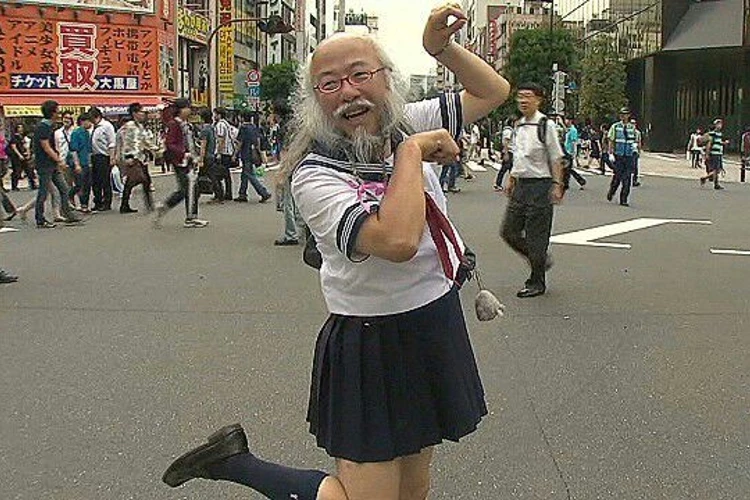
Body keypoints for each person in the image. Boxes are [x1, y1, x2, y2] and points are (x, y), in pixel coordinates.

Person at [162, 4, 510, 498]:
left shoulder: (405, 120)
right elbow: (397, 241)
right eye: (329, 84)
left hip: (434, 318)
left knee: (413, 485)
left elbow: (493, 91)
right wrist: (410, 153)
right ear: (315, 101)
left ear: (386, 79)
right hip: (370, 337)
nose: (348, 92)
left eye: (360, 75)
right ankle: (236, 462)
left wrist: (441, 49)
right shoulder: (314, 174)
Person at [501, 83, 564, 299]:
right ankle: (540, 259)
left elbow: (556, 157)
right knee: (508, 231)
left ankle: (536, 282)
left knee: (537, 237)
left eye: (528, 97)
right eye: (520, 97)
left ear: (538, 100)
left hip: (540, 186)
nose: (523, 101)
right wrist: (511, 179)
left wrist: (557, 185)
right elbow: (519, 156)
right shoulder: (518, 126)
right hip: (521, 185)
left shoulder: (546, 125)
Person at [153, 99, 209, 228]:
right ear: (180, 110)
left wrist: (194, 156)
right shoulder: (174, 124)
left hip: (187, 160)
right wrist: (184, 153)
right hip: (180, 161)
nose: (189, 110)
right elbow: (170, 143)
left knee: (192, 189)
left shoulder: (184, 124)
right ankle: (170, 209)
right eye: (187, 108)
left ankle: (190, 216)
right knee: (186, 189)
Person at [32, 100, 82, 228]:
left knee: (64, 188)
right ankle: (40, 219)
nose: (59, 113)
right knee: (43, 192)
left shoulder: (50, 126)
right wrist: (59, 160)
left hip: (52, 164)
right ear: (52, 112)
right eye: (57, 110)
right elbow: (46, 146)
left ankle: (68, 214)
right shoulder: (43, 127)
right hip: (44, 164)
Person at [118, 103, 158, 214]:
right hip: (133, 157)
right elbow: (127, 143)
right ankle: (126, 205)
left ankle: (147, 204)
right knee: (137, 181)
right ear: (135, 113)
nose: (143, 115)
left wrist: (155, 148)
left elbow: (145, 141)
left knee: (143, 181)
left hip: (141, 157)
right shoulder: (129, 126)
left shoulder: (139, 126)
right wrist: (128, 157)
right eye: (141, 112)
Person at [235, 111, 272, 203]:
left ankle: (263, 192)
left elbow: (240, 142)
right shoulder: (254, 127)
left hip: (245, 153)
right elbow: (257, 140)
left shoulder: (243, 128)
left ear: (242, 118)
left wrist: (235, 153)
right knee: (245, 173)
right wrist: (258, 151)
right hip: (253, 152)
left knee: (249, 174)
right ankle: (242, 193)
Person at [606, 107, 638, 206]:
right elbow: (611, 140)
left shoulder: (632, 128)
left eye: (625, 114)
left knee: (627, 178)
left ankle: (623, 199)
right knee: (617, 176)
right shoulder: (615, 127)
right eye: (622, 114)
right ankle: (612, 191)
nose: (623, 116)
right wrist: (611, 153)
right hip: (618, 155)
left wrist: (635, 149)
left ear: (629, 115)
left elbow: (634, 140)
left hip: (628, 155)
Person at [89, 107, 116, 211]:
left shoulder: (107, 126)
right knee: (95, 181)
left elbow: (111, 142)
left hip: (104, 155)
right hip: (95, 156)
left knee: (104, 180)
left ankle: (107, 202)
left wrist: (112, 157)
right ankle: (98, 201)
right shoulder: (93, 127)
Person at [69, 113, 94, 213]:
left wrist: (90, 162)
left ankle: (85, 205)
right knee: (80, 184)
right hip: (79, 162)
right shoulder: (76, 133)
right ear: (83, 121)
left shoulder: (86, 133)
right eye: (89, 121)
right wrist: (77, 164)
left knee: (87, 184)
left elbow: (88, 149)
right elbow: (73, 150)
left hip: (86, 162)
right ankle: (69, 196)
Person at [197, 109, 222, 203]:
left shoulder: (204, 130)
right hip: (212, 154)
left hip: (207, 156)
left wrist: (201, 159)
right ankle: (218, 195)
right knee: (213, 176)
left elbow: (203, 145)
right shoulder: (212, 128)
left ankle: (218, 195)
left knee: (209, 177)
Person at [700, 118, 730, 190]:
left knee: (716, 169)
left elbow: (718, 143)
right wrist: (707, 154)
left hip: (719, 153)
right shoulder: (712, 134)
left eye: (721, 124)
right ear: (715, 125)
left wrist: (724, 143)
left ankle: (716, 184)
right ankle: (704, 178)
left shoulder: (720, 134)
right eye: (718, 124)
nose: (720, 125)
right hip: (714, 154)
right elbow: (709, 144)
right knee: (716, 169)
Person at [213, 108, 236, 200]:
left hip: (224, 152)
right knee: (226, 174)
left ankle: (221, 193)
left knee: (219, 173)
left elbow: (221, 139)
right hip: (228, 151)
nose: (214, 116)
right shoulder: (226, 124)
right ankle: (228, 193)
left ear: (219, 115)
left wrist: (218, 153)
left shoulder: (220, 125)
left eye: (215, 114)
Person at [9, 123, 36, 191]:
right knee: (17, 172)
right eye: (19, 127)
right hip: (16, 157)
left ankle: (33, 184)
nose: (21, 129)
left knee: (29, 170)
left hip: (24, 156)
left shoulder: (23, 137)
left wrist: (28, 153)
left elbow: (26, 146)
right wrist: (19, 155)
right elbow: (14, 147)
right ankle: (14, 186)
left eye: (21, 127)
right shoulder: (14, 137)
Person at [562, 116, 586, 190]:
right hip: (566, 150)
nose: (566, 121)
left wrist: (573, 153)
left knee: (568, 169)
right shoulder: (568, 130)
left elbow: (574, 142)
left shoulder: (573, 130)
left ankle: (580, 180)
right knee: (567, 169)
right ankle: (567, 183)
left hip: (569, 151)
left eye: (567, 120)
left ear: (570, 121)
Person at [493, 118, 515, 191]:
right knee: (505, 168)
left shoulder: (508, 130)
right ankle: (498, 184)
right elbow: (506, 141)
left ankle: (512, 185)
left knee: (510, 169)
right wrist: (506, 153)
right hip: (509, 151)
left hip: (510, 151)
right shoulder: (508, 131)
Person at [630, 119, 643, 187]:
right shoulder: (627, 131)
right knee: (629, 165)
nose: (633, 125)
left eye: (634, 124)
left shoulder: (637, 133)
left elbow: (639, 142)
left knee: (635, 166)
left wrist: (639, 151)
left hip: (634, 150)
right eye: (631, 123)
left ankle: (634, 180)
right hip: (628, 150)